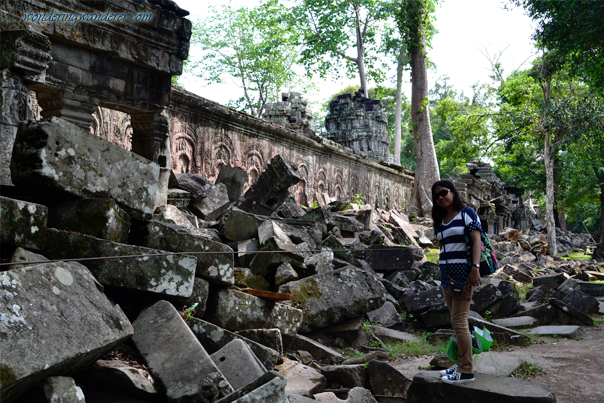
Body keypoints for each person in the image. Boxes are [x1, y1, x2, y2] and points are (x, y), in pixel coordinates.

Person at [431, 179, 482, 384]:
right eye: (436, 196)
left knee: (459, 321)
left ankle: (467, 369)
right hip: (446, 272)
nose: (441, 197)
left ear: (453, 192)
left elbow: (476, 239)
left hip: (463, 272)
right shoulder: (441, 218)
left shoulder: (466, 213)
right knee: (455, 320)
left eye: (444, 192)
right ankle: (461, 364)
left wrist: (475, 268)